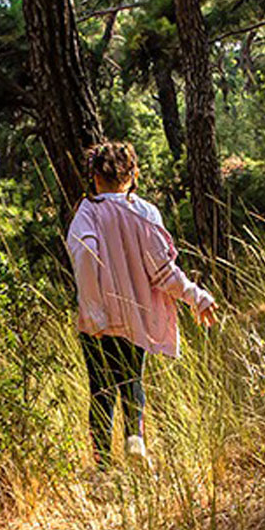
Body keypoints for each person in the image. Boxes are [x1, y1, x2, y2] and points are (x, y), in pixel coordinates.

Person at [65, 141, 220, 469]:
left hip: (99, 321)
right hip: (136, 319)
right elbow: (164, 272)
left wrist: (94, 311)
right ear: (133, 174)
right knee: (131, 381)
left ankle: (104, 466)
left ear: (93, 176)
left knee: (100, 390)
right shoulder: (146, 212)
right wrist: (198, 296)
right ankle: (135, 440)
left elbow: (84, 253)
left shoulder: (87, 212)